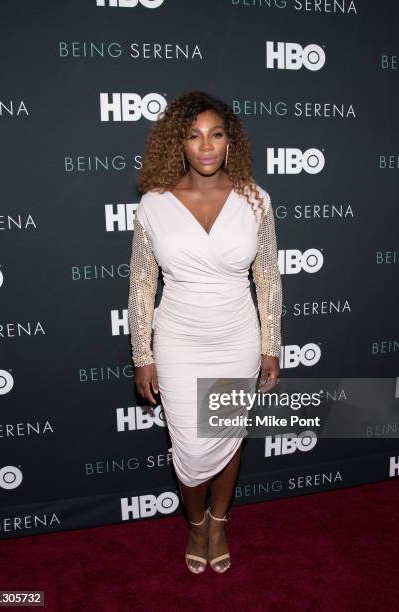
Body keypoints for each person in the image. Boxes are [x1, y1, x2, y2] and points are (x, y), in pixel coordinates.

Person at [127, 90, 282, 574]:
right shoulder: (154, 205)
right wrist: (142, 354)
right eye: (194, 136)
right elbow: (141, 282)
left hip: (236, 336)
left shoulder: (255, 200)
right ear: (180, 144)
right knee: (191, 446)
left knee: (227, 435)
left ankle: (218, 519)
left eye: (216, 134)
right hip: (178, 340)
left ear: (230, 142)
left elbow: (268, 277)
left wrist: (269, 345)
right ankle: (195, 522)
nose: (207, 145)